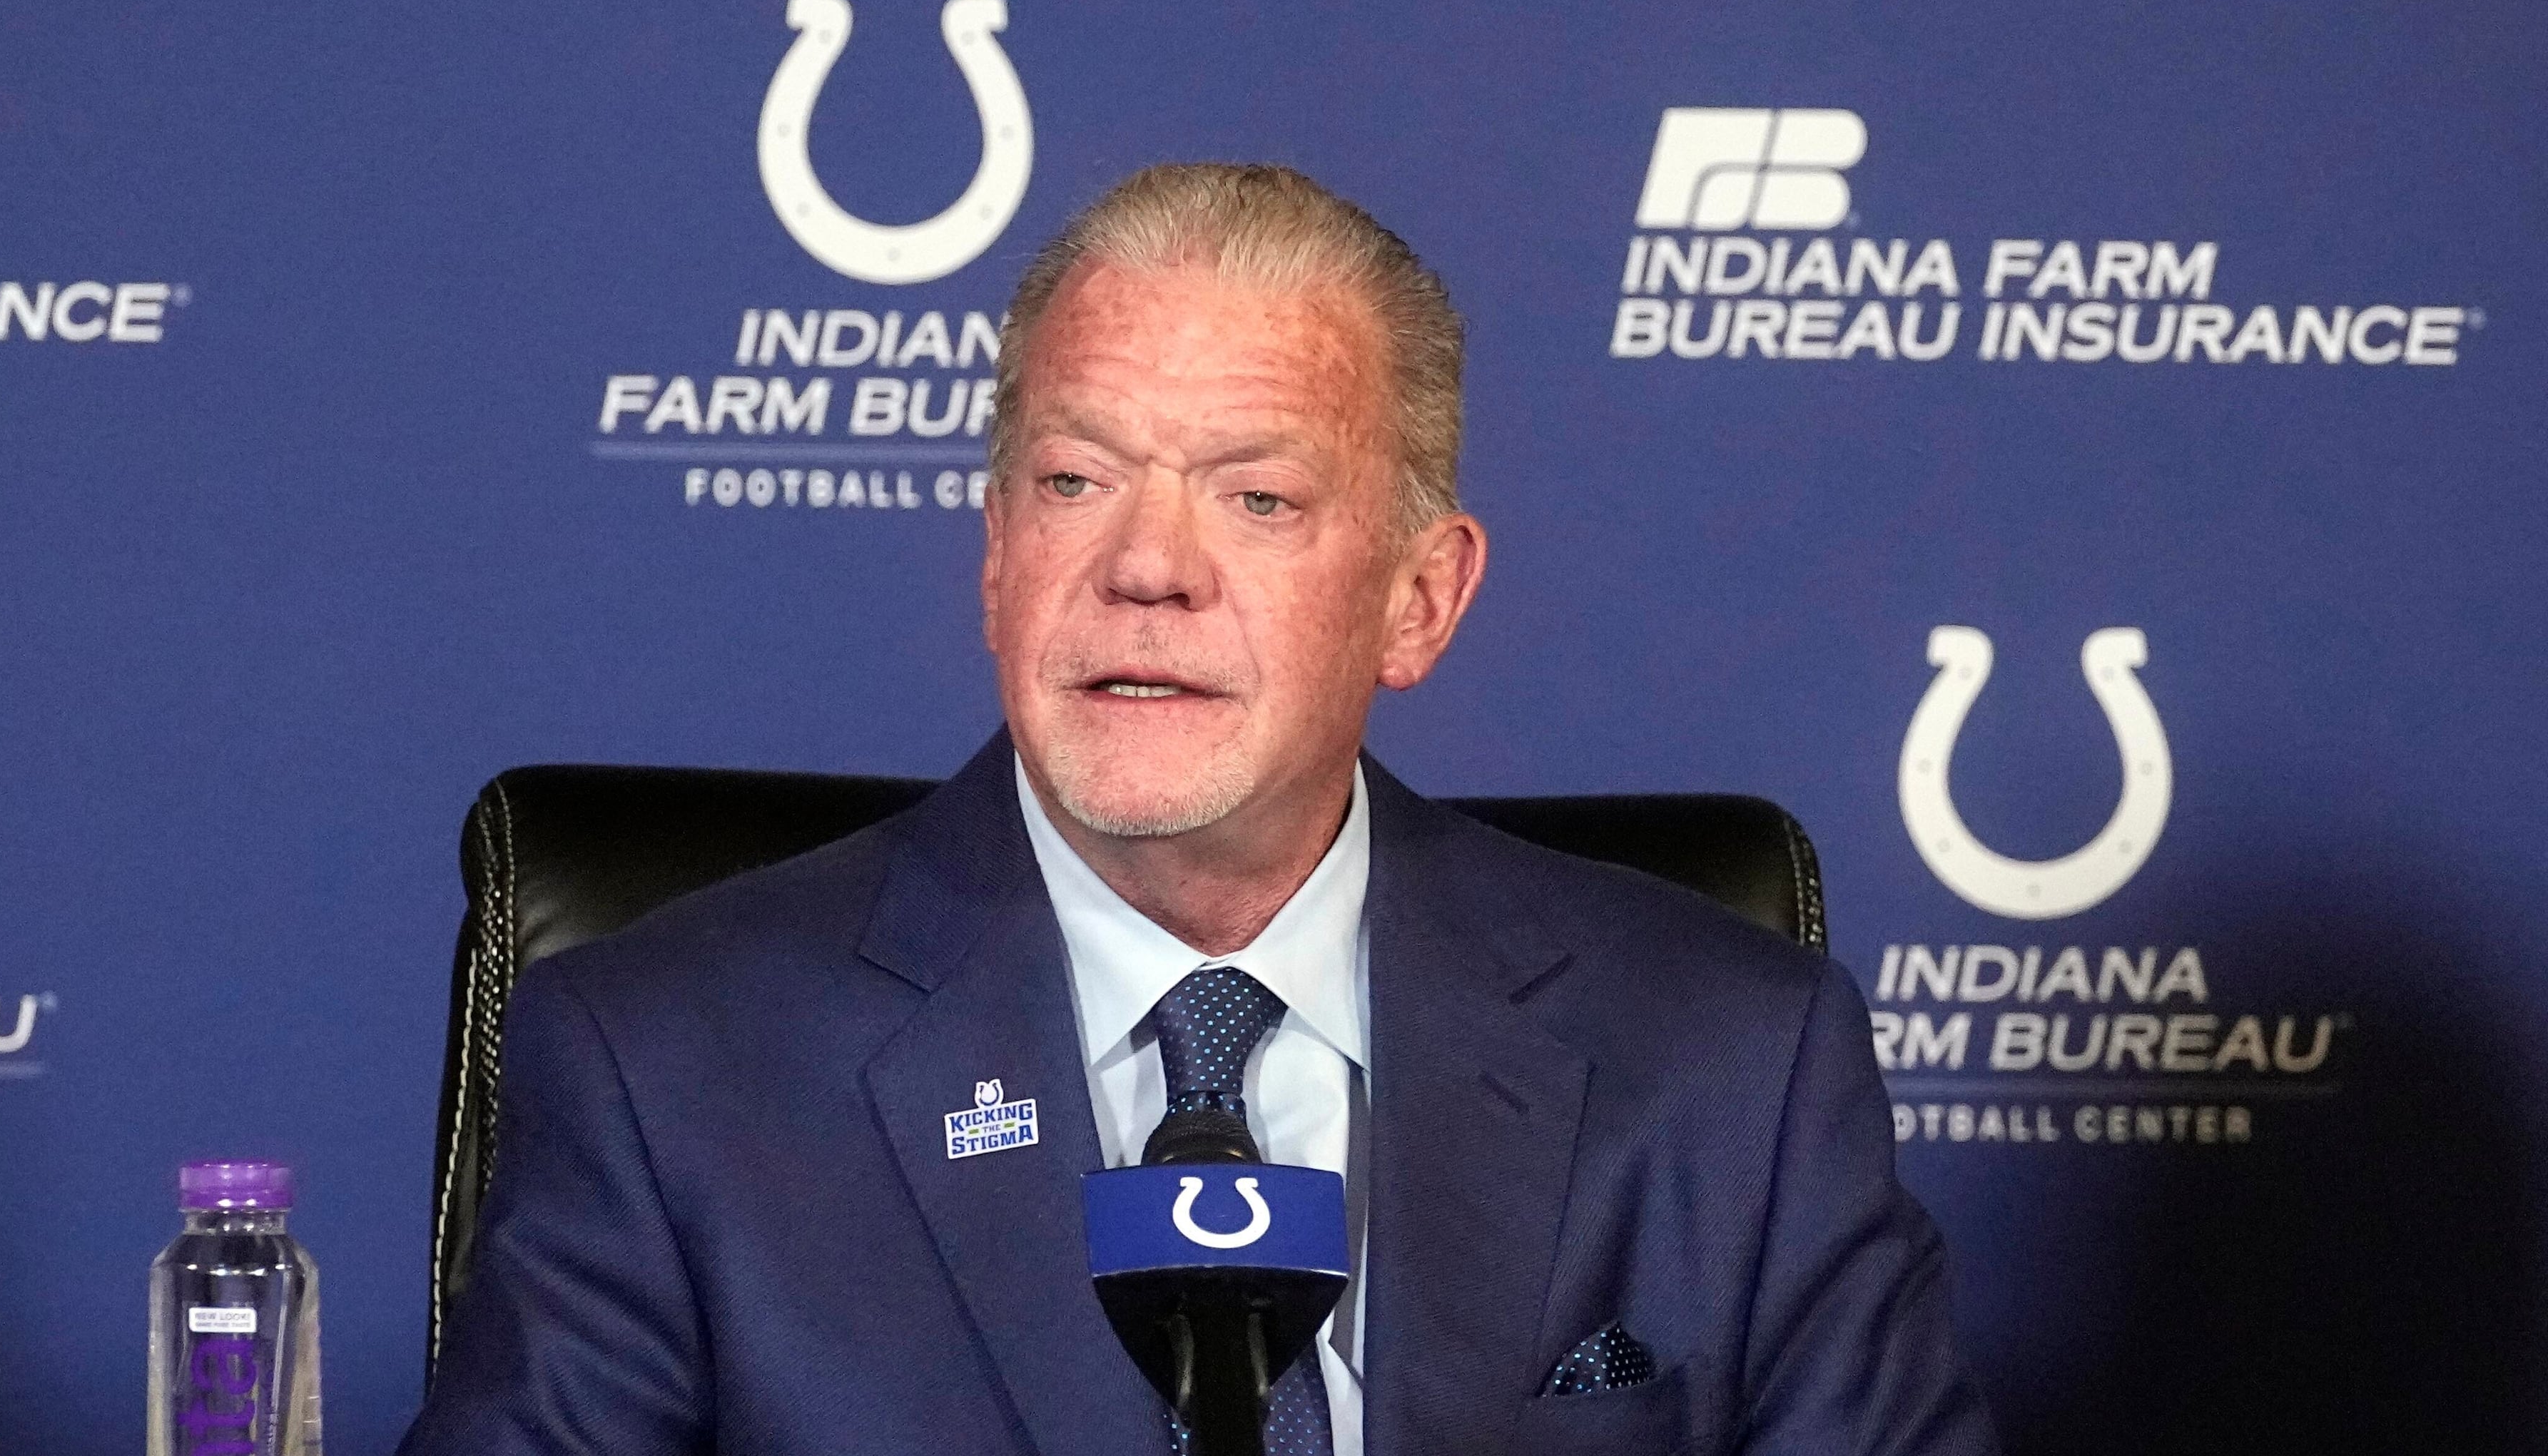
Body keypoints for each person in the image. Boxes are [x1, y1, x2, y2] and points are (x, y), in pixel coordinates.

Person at [403, 164, 1999, 1455]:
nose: (1146, 567)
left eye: (1257, 497)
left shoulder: (1728, 1066)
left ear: (1418, 601)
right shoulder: (669, 1068)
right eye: (1075, 480)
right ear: (995, 558)